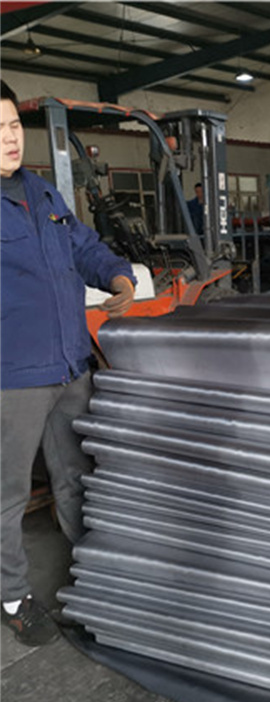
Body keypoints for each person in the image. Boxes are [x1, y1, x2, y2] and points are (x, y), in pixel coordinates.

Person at [0, 80, 137, 646]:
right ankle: (13, 596)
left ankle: (95, 578)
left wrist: (118, 274)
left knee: (78, 478)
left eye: (13, 125)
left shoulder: (43, 193)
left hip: (70, 367)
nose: (9, 138)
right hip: (13, 379)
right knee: (6, 494)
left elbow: (81, 245)